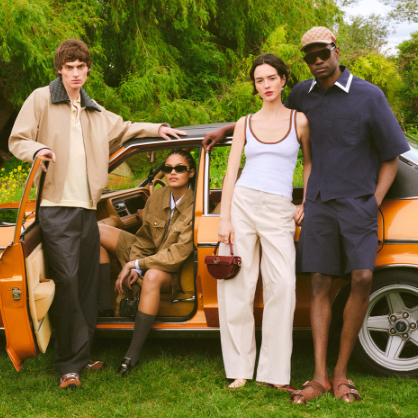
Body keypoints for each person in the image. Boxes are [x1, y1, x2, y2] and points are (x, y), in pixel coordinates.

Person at [203, 27, 410, 403]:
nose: (317, 61)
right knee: (308, 283)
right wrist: (226, 130)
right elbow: (266, 117)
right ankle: (307, 375)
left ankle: (330, 373)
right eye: (309, 57)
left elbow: (389, 155)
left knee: (350, 279)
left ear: (336, 50)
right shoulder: (303, 94)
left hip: (349, 205)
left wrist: (372, 201)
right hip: (303, 206)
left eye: (322, 54)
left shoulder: (367, 96)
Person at [8, 39, 186, 389]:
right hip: (56, 208)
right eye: (69, 68)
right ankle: (68, 366)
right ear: (60, 69)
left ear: (88, 70)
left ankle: (82, 353)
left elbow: (126, 128)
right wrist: (38, 149)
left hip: (86, 209)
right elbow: (18, 139)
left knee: (87, 284)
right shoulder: (41, 99)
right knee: (68, 283)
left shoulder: (93, 110)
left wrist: (157, 129)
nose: (75, 73)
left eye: (81, 67)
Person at [216, 54, 311, 390]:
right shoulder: (245, 122)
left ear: (283, 80)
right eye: (259, 80)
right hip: (242, 203)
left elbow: (310, 163)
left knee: (282, 285)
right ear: (254, 86)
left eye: (272, 78)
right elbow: (231, 172)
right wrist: (224, 217)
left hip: (278, 208)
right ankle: (240, 368)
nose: (266, 85)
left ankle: (273, 373)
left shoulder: (299, 121)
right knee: (236, 287)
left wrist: (306, 201)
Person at [99, 149, 195, 376]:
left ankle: (132, 353)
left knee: (151, 275)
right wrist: (135, 262)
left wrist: (138, 266)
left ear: (191, 172)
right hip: (149, 256)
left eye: (180, 168)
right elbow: (144, 239)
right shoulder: (157, 197)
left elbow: (175, 256)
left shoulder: (196, 205)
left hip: (173, 270)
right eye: (168, 168)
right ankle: (104, 308)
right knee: (96, 231)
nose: (173, 173)